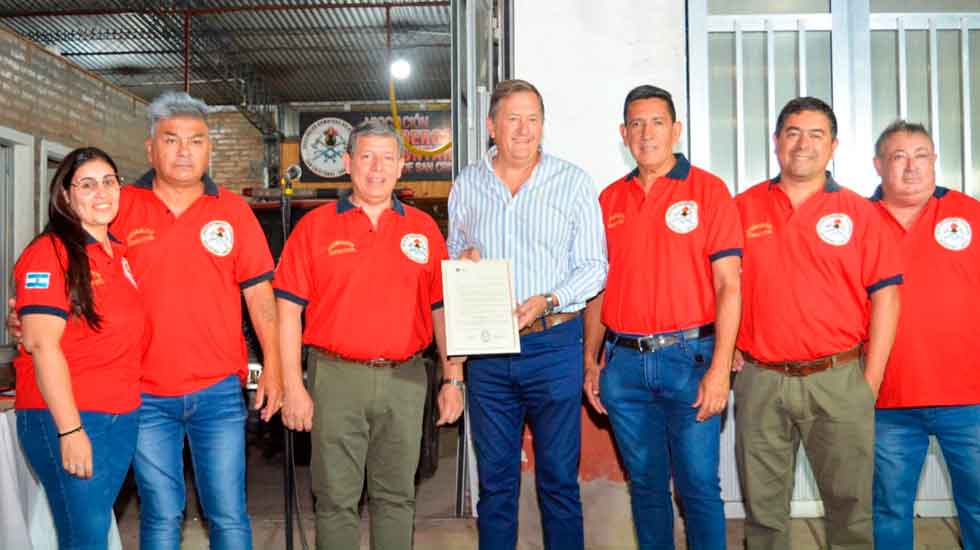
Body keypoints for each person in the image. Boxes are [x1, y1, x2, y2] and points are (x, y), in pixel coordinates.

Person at [274, 120, 464, 550]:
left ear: (401, 166)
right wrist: (293, 386)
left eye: (386, 158)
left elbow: (442, 310)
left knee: (397, 496)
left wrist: (453, 378)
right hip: (335, 379)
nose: (376, 168)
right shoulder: (314, 228)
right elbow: (287, 312)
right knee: (335, 499)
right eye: (365, 157)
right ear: (347, 163)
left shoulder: (424, 231)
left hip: (407, 379)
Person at [733, 96, 902, 549]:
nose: (803, 144)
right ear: (775, 143)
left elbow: (886, 297)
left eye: (816, 135)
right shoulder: (742, 208)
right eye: (792, 132)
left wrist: (870, 379)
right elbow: (724, 287)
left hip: (840, 379)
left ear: (833, 147)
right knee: (763, 513)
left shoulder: (862, 213)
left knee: (851, 511)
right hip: (761, 380)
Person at [447, 79, 608, 550]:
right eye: (512, 118)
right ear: (492, 126)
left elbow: (594, 266)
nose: (523, 129)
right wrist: (465, 261)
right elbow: (455, 254)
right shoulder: (467, 184)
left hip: (553, 343)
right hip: (488, 349)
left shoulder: (573, 182)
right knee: (495, 485)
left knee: (558, 481)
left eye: (533, 119)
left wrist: (550, 299)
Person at [583, 84, 741, 549]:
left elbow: (730, 284)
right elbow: (598, 290)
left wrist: (720, 370)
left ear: (676, 129)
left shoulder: (709, 191)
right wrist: (592, 361)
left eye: (656, 122)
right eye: (636, 123)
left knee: (697, 488)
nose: (646, 133)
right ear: (623, 133)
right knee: (647, 487)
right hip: (625, 366)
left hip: (690, 360)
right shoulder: (609, 200)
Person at [13, 147, 144, 549]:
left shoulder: (117, 253)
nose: (102, 192)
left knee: (90, 533)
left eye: (109, 181)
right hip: (69, 417)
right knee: (84, 537)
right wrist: (70, 430)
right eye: (87, 185)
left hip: (119, 415)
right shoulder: (48, 253)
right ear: (65, 196)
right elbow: (41, 344)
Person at [869, 120, 980, 549]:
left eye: (922, 157)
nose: (912, 168)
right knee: (889, 508)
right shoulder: (856, 220)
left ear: (935, 161)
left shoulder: (970, 214)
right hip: (886, 399)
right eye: (899, 157)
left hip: (968, 398)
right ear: (878, 165)